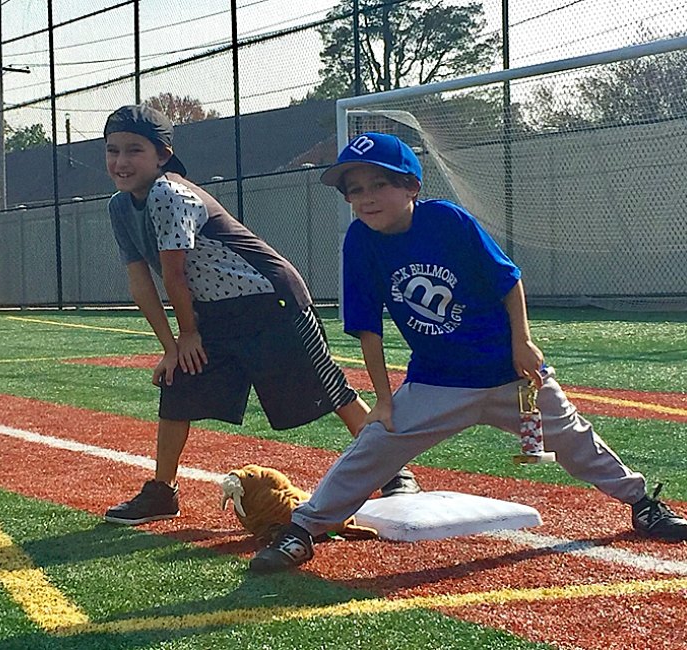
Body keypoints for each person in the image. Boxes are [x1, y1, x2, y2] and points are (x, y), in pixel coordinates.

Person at [249, 131, 687, 572]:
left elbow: (508, 279)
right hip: (438, 380)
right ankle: (304, 531)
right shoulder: (360, 241)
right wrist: (383, 399)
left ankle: (642, 503)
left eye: (380, 184)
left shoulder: (447, 221)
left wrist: (523, 341)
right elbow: (368, 328)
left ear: (412, 187)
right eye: (355, 190)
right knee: (375, 444)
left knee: (573, 440)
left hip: (507, 373)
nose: (367, 198)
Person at [102, 106, 420, 526]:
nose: (121, 162)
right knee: (178, 385)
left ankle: (394, 470)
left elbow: (175, 274)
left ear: (162, 155)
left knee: (328, 388)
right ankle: (162, 492)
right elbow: (142, 281)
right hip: (214, 312)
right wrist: (173, 347)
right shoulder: (119, 206)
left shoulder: (168, 193)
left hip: (269, 300)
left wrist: (188, 333)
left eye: (134, 150)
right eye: (113, 151)